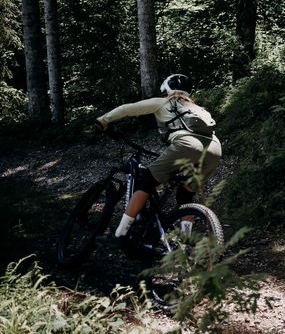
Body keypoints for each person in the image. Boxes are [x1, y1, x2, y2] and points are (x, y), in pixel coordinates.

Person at [95, 74, 222, 246]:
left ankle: (120, 234)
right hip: (214, 149)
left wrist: (103, 121)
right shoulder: (197, 108)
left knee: (145, 182)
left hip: (187, 145)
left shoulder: (163, 102)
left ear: (167, 89)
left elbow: (126, 109)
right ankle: (185, 243)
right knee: (185, 194)